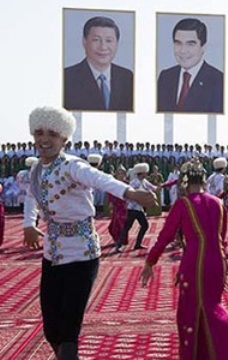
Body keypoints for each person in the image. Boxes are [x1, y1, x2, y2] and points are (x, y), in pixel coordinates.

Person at [22, 106, 156, 359]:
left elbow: (101, 179)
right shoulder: (36, 170)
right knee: (51, 328)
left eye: (52, 133)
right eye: (39, 133)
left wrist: (130, 193)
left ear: (64, 139)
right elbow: (31, 197)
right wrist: (29, 224)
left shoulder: (73, 166)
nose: (44, 139)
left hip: (82, 255)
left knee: (69, 330)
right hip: (52, 254)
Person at [140, 160, 228, 360]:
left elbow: (165, 236)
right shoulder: (218, 203)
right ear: (204, 180)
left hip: (195, 262)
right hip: (218, 261)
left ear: (184, 182)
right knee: (213, 305)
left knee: (191, 311)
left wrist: (150, 261)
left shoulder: (183, 204)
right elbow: (224, 238)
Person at [64, 16, 134, 111]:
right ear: (84, 42)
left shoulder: (127, 78)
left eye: (109, 41)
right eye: (96, 40)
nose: (103, 47)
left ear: (117, 44)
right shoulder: (67, 78)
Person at [157, 18, 224, 113]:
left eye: (190, 44)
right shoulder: (165, 77)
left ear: (203, 47)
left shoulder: (219, 81)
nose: (183, 50)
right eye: (178, 43)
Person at [115, 163, 160, 253]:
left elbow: (153, 187)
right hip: (132, 208)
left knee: (143, 225)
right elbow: (130, 193)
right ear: (141, 173)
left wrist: (160, 186)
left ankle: (137, 244)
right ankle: (119, 245)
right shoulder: (134, 182)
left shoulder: (144, 181)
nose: (146, 174)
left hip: (139, 208)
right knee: (128, 226)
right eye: (145, 173)